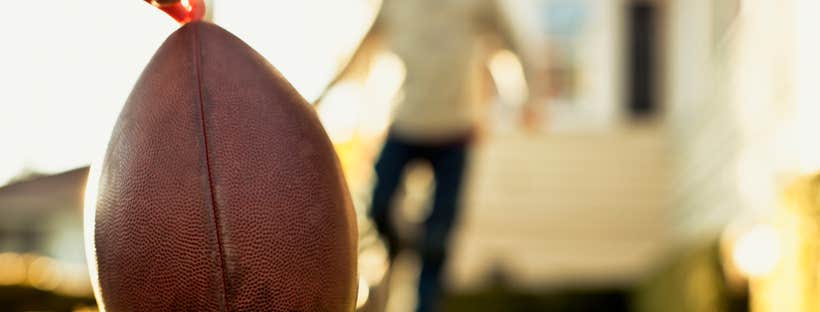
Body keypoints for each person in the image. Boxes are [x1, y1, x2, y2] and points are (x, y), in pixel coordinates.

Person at [319, 0, 540, 311]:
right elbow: (365, 48)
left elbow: (513, 43)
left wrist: (527, 97)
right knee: (378, 204)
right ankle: (399, 250)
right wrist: (325, 94)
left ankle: (424, 302)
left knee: (438, 241)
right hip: (407, 123)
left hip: (456, 130)